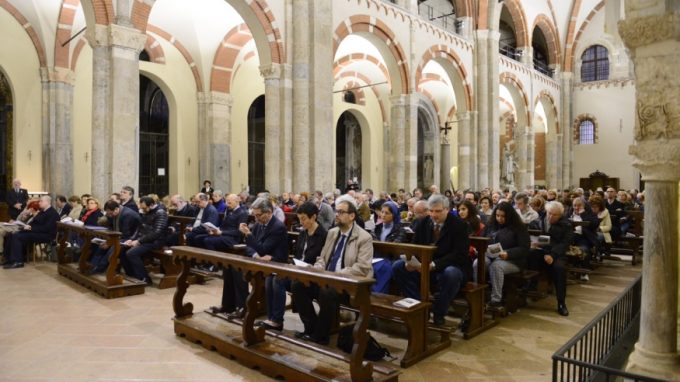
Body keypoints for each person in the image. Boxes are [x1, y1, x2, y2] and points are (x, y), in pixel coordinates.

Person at [292, 199, 373, 344]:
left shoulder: (364, 237)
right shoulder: (332, 232)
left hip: (349, 286)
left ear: (352, 216)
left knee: (327, 292)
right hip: (327, 280)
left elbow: (362, 267)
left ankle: (321, 336)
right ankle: (311, 328)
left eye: (341, 212)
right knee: (298, 286)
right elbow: (322, 258)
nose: (337, 215)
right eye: (336, 211)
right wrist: (316, 269)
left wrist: (337, 275)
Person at [392, 194, 470, 326]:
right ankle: (420, 307)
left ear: (447, 209)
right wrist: (411, 261)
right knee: (398, 266)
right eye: (431, 211)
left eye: (438, 211)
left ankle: (439, 313)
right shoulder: (423, 222)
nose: (434, 215)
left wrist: (434, 264)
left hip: (450, 266)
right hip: (425, 265)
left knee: (451, 273)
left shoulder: (459, 225)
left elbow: (459, 254)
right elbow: (416, 246)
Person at [238, 198, 288, 331]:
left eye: (259, 215)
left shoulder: (278, 227)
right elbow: (250, 247)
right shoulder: (258, 224)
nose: (256, 218)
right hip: (263, 262)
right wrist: (256, 256)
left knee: (273, 282)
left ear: (269, 212)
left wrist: (249, 235)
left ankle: (276, 320)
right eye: (254, 215)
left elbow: (264, 249)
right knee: (238, 272)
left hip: (279, 263)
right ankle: (268, 317)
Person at [478, 202, 530, 308]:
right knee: (477, 263)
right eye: (497, 215)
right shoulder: (490, 225)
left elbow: (524, 248)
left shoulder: (519, 227)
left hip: (513, 260)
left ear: (509, 216)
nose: (499, 219)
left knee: (496, 266)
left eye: (503, 216)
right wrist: (481, 248)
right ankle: (479, 294)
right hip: (491, 256)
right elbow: (482, 239)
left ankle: (496, 299)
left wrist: (508, 253)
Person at [528, 201, 573, 316]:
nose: (550, 216)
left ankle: (561, 303)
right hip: (541, 251)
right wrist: (534, 242)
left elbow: (564, 244)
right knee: (528, 255)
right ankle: (530, 287)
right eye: (549, 213)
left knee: (559, 268)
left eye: (554, 215)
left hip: (556, 254)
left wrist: (552, 255)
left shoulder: (566, 224)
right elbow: (531, 232)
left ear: (560, 215)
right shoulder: (539, 220)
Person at [119, 196, 168, 284]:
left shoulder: (160, 213)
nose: (142, 210)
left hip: (156, 241)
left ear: (152, 205)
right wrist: (131, 239)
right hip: (145, 239)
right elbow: (139, 228)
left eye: (144, 208)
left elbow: (156, 233)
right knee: (122, 249)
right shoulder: (146, 211)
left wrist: (139, 241)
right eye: (141, 208)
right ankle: (132, 275)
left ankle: (144, 278)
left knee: (131, 253)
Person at [3, 196, 60, 269]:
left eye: (41, 201)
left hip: (46, 235)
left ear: (47, 202)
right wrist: (25, 226)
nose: (39, 203)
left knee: (17, 236)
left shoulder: (53, 213)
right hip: (37, 232)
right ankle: (9, 259)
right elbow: (35, 222)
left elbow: (47, 228)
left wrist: (31, 228)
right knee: (11, 234)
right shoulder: (42, 211)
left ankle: (18, 261)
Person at [90, 201, 141, 273]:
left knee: (112, 250)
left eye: (110, 213)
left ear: (116, 209)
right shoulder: (113, 213)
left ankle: (99, 269)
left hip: (131, 238)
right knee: (101, 246)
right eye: (108, 213)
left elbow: (126, 234)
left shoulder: (127, 215)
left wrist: (110, 243)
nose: (110, 216)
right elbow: (111, 228)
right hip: (119, 237)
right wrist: (108, 241)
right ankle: (92, 266)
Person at [371, 201, 407, 293]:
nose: (383, 215)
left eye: (387, 213)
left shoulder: (400, 229)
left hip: (391, 259)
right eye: (382, 212)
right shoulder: (377, 228)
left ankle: (378, 295)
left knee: (383, 267)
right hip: (376, 258)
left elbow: (394, 247)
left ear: (393, 215)